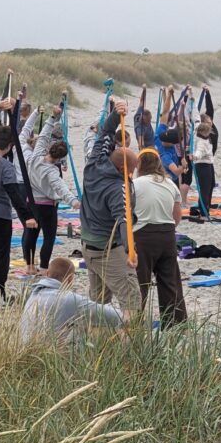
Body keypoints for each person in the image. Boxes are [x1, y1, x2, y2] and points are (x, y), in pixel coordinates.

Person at [80, 98, 141, 322]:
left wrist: (117, 113)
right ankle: (128, 347)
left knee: (99, 302)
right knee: (132, 300)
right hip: (107, 247)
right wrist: (130, 251)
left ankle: (95, 344)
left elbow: (105, 131)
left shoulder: (94, 162)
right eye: (132, 169)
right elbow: (123, 219)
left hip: (88, 245)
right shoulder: (118, 188)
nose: (133, 174)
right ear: (122, 168)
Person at [0, 123, 37, 302]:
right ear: (10, 146)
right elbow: (13, 193)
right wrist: (27, 216)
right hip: (0, 216)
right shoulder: (6, 167)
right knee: (1, 255)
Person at [23, 105, 80, 275]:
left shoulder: (36, 156)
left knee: (30, 235)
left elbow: (43, 135)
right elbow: (60, 187)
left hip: (31, 203)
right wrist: (74, 201)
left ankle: (29, 266)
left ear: (49, 149)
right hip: (46, 206)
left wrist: (52, 117)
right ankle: (43, 267)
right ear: (60, 158)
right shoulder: (53, 170)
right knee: (48, 237)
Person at [132, 148, 187, 326]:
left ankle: (135, 322)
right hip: (167, 235)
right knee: (170, 281)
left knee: (140, 282)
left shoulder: (135, 184)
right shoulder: (170, 184)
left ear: (139, 164)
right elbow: (177, 216)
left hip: (143, 236)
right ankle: (174, 323)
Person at [19, 257, 124, 342]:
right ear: (70, 279)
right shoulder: (68, 299)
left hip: (26, 353)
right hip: (53, 356)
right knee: (103, 327)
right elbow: (116, 317)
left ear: (47, 274)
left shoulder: (34, 294)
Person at [190, 121, 215, 222]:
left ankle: (204, 208)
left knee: (211, 185)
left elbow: (195, 122)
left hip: (209, 165)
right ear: (204, 132)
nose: (209, 133)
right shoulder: (201, 141)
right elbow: (199, 152)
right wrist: (194, 156)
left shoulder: (201, 136)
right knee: (205, 189)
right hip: (203, 165)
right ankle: (204, 213)